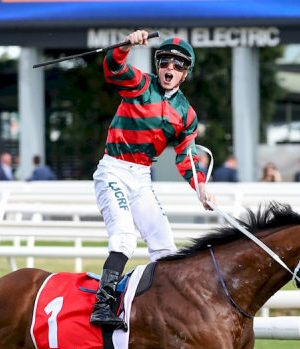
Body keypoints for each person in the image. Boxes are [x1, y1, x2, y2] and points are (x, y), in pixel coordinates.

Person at [90, 30, 213, 329]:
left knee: (165, 246)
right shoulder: (140, 84)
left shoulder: (186, 114)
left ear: (185, 74)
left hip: (142, 177)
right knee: (124, 237)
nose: (170, 68)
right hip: (114, 170)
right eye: (165, 62)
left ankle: (166, 310)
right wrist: (126, 45)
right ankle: (102, 306)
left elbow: (186, 155)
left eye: (178, 65)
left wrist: (200, 187)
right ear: (158, 66)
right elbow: (113, 67)